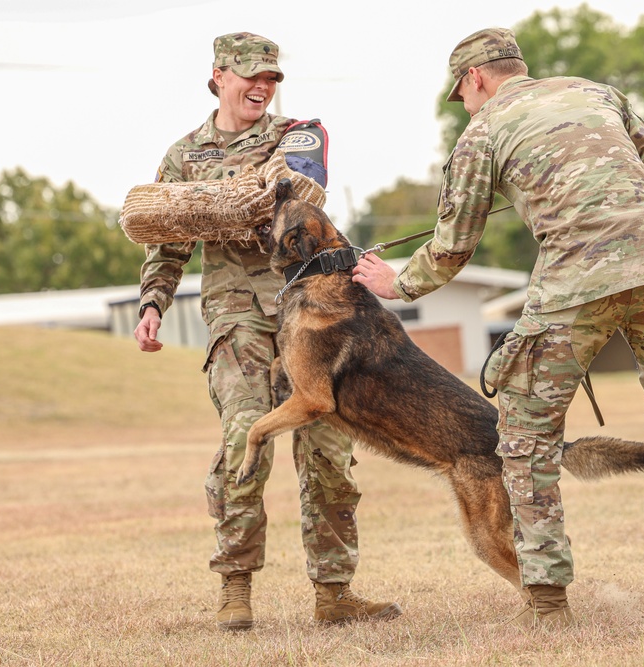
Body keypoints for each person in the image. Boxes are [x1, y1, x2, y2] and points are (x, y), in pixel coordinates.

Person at [352, 27, 644, 629]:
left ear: (474, 78)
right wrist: (622, 226)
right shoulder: (598, 94)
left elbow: (454, 246)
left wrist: (396, 284)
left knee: (526, 440)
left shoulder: (480, 133)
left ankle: (548, 603)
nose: (465, 104)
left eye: (462, 94)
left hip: (576, 284)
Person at [134, 31, 401, 631]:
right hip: (239, 311)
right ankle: (235, 589)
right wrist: (153, 301)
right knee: (243, 437)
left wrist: (221, 204)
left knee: (328, 444)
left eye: (272, 78)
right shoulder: (182, 156)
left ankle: (335, 593)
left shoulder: (295, 137)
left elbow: (303, 192)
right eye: (252, 75)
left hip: (313, 309)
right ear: (219, 75)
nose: (263, 86)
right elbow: (165, 241)